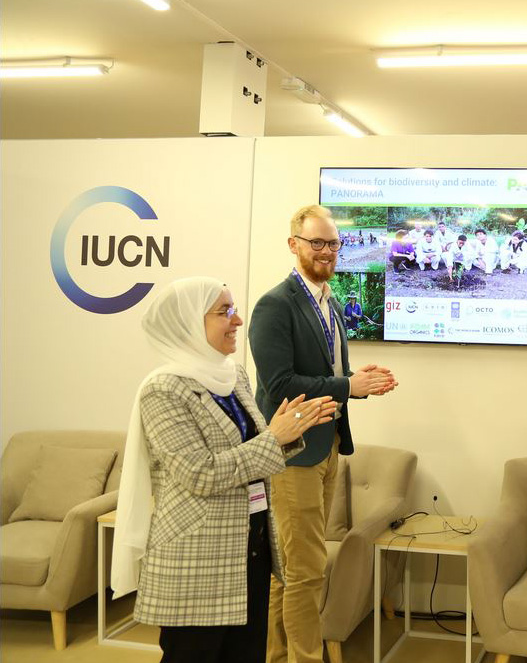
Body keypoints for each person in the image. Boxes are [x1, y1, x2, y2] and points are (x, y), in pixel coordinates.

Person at [110, 277, 337, 663]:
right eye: (224, 312)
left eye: (233, 309)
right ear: (188, 323)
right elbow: (199, 473)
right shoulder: (163, 390)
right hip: (198, 559)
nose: (237, 320)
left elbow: (255, 451)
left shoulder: (234, 377)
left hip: (251, 549)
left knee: (246, 654)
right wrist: (273, 438)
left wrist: (288, 431)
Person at [248, 204, 398, 663]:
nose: (327, 251)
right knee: (307, 570)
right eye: (318, 243)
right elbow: (279, 386)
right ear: (294, 244)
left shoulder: (328, 300)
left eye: (333, 243)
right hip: (291, 454)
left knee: (288, 570)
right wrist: (347, 385)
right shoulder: (275, 305)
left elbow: (326, 373)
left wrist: (357, 381)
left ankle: (274, 655)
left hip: (326, 444)